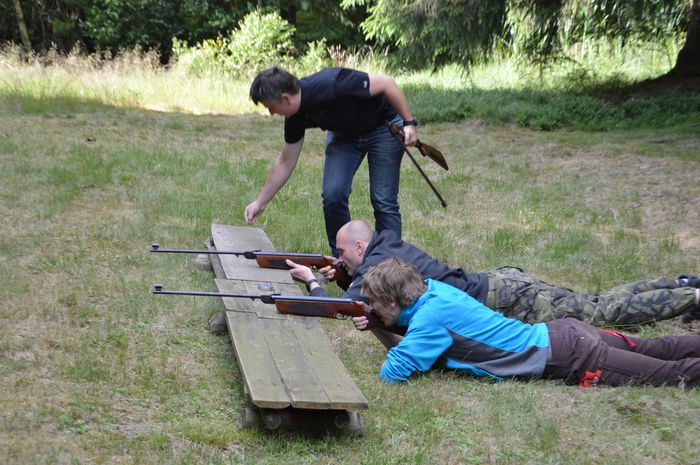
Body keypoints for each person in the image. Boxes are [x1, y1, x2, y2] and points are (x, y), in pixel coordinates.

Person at [286, 220, 700, 334]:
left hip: (505, 298)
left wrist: (312, 279)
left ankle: (691, 298)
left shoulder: (373, 265)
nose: (339, 258)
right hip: (501, 284)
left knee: (601, 314)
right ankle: (681, 284)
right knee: (595, 300)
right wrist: (345, 274)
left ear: (360, 247)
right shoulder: (386, 245)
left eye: (342, 252)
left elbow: (344, 306)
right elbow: (371, 295)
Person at [363, 257, 700, 386]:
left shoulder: (429, 321)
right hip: (565, 333)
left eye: (375, 303)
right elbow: (418, 349)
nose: (373, 309)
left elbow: (394, 372)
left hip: (570, 355)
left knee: (670, 374)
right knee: (657, 348)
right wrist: (381, 324)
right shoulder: (435, 291)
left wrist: (380, 327)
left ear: (393, 300)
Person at [245, 66, 419, 254]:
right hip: (345, 134)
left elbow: (387, 83)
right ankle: (342, 259)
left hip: (383, 128)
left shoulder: (335, 84)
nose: (271, 113)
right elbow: (286, 162)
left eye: (271, 107)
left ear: (286, 99)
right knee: (333, 195)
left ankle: (390, 260)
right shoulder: (295, 116)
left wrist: (409, 123)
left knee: (383, 199)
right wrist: (260, 202)